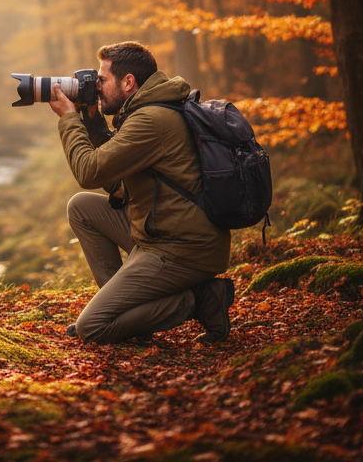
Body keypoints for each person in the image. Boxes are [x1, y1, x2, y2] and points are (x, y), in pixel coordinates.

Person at [48, 41, 234, 345]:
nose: (96, 87)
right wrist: (92, 121)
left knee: (92, 328)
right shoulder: (145, 109)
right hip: (161, 230)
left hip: (184, 249)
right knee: (82, 207)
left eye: (102, 80)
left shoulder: (150, 120)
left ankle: (202, 299)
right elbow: (117, 183)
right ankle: (124, 312)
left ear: (128, 82)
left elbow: (89, 172)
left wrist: (69, 118)